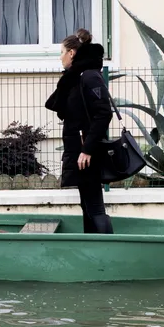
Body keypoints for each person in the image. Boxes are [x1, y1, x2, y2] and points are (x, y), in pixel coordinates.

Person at [44, 29, 115, 234]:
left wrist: (87, 150)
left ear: (72, 53)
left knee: (94, 205)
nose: (60, 57)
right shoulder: (76, 77)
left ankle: (104, 249)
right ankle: (92, 246)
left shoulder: (90, 76)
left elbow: (103, 114)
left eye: (62, 52)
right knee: (87, 204)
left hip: (87, 151)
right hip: (80, 150)